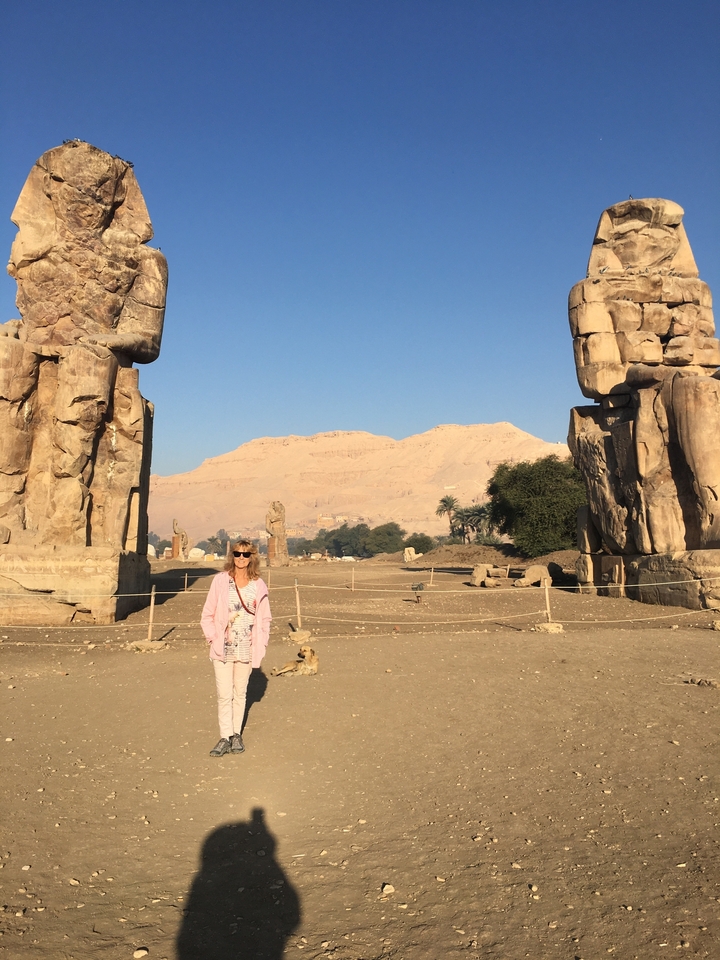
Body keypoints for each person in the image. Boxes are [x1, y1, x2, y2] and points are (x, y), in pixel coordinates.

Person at [200, 540, 272, 757]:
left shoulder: (258, 584)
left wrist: (262, 642)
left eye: (246, 554)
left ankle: (235, 734)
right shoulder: (220, 581)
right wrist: (213, 638)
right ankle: (224, 737)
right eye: (237, 554)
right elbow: (207, 614)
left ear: (252, 557)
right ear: (232, 556)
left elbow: (265, 617)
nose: (241, 558)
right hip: (224, 646)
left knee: (240, 693)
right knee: (224, 694)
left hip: (246, 647)